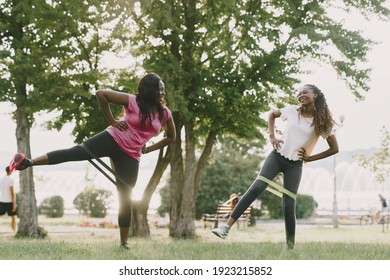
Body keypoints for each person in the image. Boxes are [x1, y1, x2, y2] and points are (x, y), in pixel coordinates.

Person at [8, 72, 176, 249]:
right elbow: (101, 94)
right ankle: (27, 162)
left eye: (163, 90)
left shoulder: (164, 113)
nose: (163, 93)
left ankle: (123, 243)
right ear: (150, 90)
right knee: (77, 152)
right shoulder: (133, 100)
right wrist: (112, 120)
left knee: (125, 197)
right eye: (160, 89)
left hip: (131, 155)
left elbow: (171, 137)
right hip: (112, 139)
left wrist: (148, 148)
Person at [212, 84, 339, 250]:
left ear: (315, 95)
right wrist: (272, 136)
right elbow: (272, 114)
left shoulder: (322, 122)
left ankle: (290, 247)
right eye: (299, 93)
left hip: (294, 165)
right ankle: (225, 227)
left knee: (288, 204)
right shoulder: (292, 110)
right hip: (277, 157)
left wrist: (310, 158)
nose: (300, 95)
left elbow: (334, 148)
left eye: (305, 92)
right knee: (256, 188)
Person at [0, 166, 17, 231]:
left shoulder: (1, 179)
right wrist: (14, 205)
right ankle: (14, 231)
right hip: (9, 201)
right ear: (11, 170)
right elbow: (12, 193)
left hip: (1, 200)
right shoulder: (11, 180)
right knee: (13, 217)